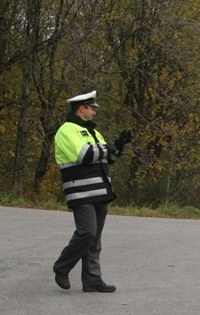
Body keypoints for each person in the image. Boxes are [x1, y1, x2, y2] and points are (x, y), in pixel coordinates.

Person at [53, 90, 132, 292]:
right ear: (82, 108)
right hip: (80, 192)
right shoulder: (67, 130)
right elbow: (85, 155)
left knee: (94, 239)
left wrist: (119, 146)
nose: (94, 113)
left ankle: (92, 280)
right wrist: (110, 147)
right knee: (87, 232)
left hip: (100, 191)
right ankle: (62, 266)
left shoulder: (93, 132)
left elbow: (107, 159)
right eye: (91, 109)